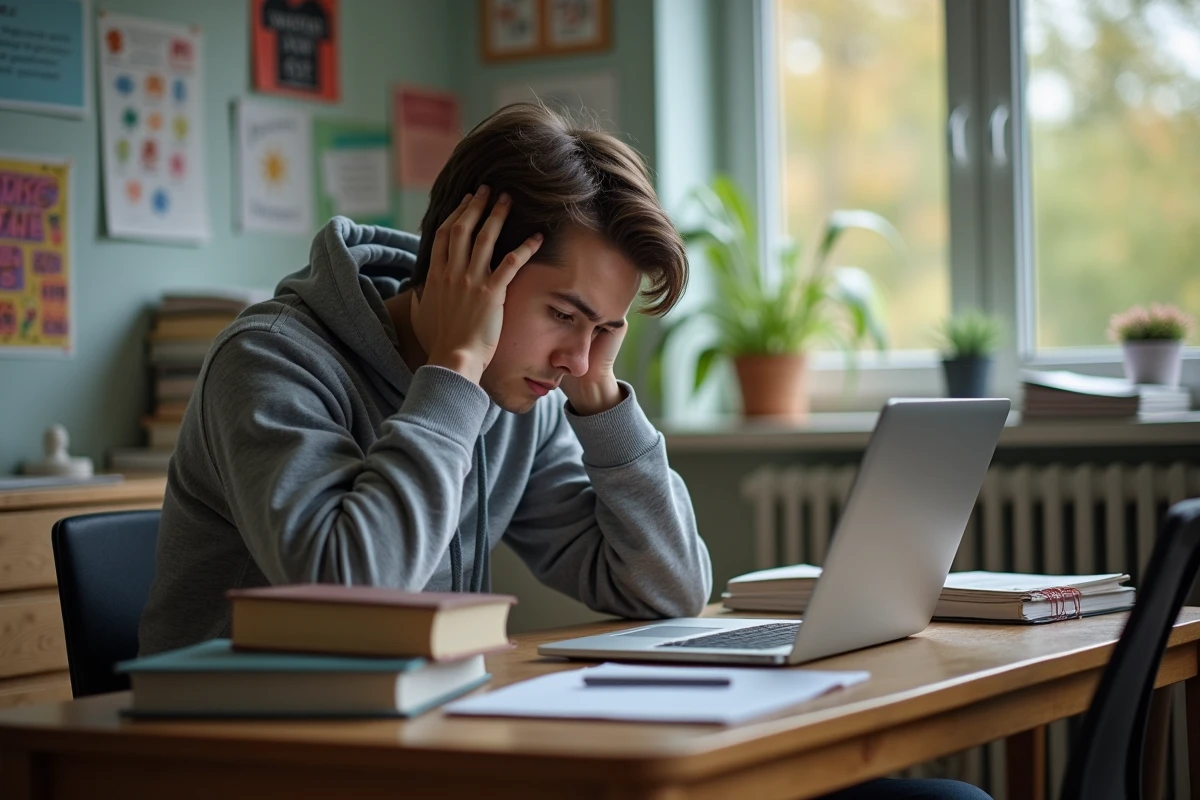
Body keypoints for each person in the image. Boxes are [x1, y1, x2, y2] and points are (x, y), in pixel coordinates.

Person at [137, 102, 990, 800]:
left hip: (431, 755)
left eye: (608, 330)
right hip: (270, 767)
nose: (577, 358)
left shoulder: (529, 393)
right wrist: (454, 375)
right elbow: (350, 591)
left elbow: (663, 589)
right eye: (563, 316)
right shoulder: (271, 361)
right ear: (465, 265)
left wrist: (601, 400)